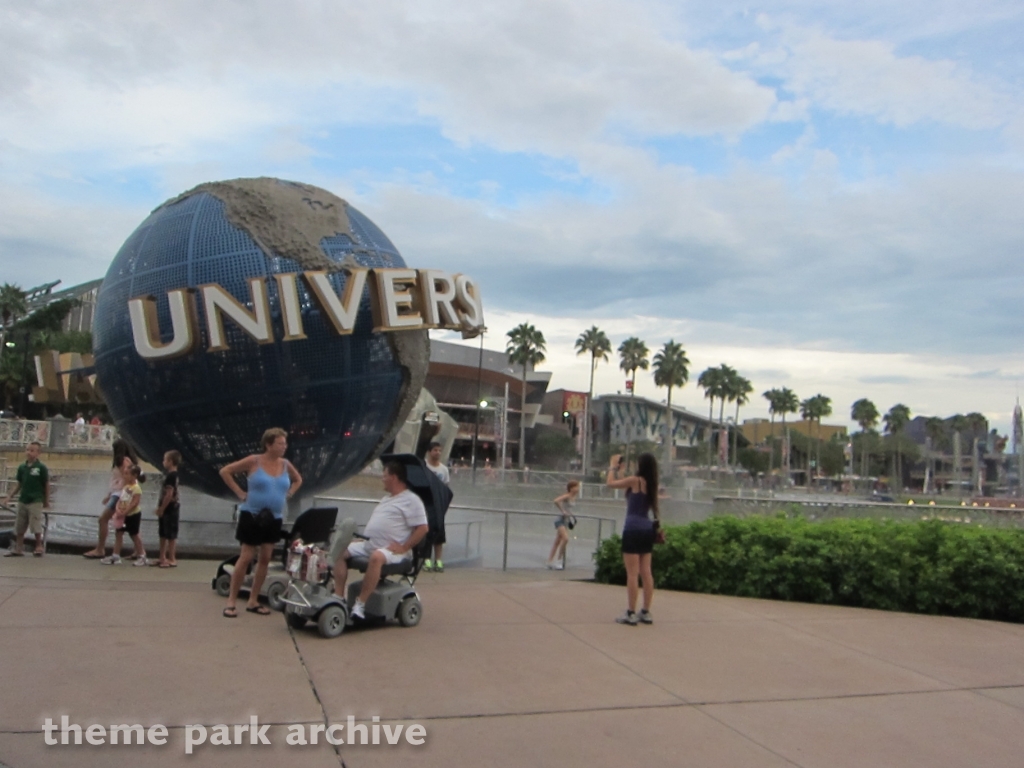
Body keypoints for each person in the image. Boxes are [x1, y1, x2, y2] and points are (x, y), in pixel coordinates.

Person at [219, 428, 302, 618]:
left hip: (274, 516)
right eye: (280, 443)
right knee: (247, 556)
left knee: (265, 557)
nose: (284, 447)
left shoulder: (285, 464)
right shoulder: (254, 461)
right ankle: (232, 600)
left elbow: (298, 480)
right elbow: (226, 471)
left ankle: (253, 599)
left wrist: (289, 493)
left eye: (285, 443)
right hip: (252, 514)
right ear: (269, 444)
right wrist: (240, 492)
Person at [332, 461, 428, 619]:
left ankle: (360, 604)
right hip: (370, 545)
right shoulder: (386, 499)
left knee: (377, 556)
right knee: (339, 549)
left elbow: (423, 528)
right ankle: (338, 597)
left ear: (394, 478)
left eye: (384, 476)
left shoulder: (412, 500)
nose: (382, 479)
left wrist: (404, 547)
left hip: (392, 551)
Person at [606, 452, 659, 626]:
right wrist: (621, 472)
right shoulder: (651, 484)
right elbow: (625, 486)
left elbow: (610, 483)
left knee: (632, 574)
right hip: (647, 530)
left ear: (641, 465)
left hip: (632, 529)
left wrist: (612, 466)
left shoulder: (635, 480)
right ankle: (645, 611)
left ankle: (630, 613)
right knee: (646, 572)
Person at [83, 439, 140, 559]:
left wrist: (124, 497)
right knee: (128, 525)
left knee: (103, 519)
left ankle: (100, 549)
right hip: (116, 494)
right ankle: (139, 551)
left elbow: (128, 479)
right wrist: (109, 495)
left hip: (119, 495)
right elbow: (117, 480)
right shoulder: (125, 461)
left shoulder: (124, 461)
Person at [3, 441, 50, 557]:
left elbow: (46, 484)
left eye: (32, 450)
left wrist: (46, 500)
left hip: (36, 500)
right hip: (23, 499)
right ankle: (18, 548)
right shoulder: (22, 467)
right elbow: (19, 484)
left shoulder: (41, 468)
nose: (29, 452)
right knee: (20, 525)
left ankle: (39, 545)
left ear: (38, 453)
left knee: (36, 524)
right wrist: (9, 497)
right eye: (28, 450)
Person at [101, 464, 146, 565]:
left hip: (133, 515)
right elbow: (121, 499)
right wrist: (118, 509)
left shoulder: (136, 488)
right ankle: (115, 556)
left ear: (134, 476)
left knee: (134, 535)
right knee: (118, 533)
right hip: (123, 514)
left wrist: (125, 511)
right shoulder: (126, 486)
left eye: (126, 474)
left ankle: (142, 555)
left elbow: (135, 503)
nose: (124, 476)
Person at [423, 441, 449, 572]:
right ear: (429, 452)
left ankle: (438, 561)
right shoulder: (424, 466)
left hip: (438, 507)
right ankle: (426, 559)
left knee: (439, 534)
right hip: (425, 506)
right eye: (435, 450)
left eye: (439, 450)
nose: (438, 453)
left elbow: (446, 488)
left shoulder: (443, 470)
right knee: (426, 533)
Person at [154, 450, 181, 568]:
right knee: (163, 533)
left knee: (170, 534)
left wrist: (161, 508)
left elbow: (169, 494)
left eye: (165, 459)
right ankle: (162, 557)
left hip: (170, 508)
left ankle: (171, 558)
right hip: (168, 507)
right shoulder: (172, 475)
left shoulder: (171, 476)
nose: (163, 462)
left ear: (170, 461)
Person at [546, 480, 580, 569]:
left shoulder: (574, 497)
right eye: (576, 487)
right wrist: (563, 511)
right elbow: (556, 501)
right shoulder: (567, 496)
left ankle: (549, 561)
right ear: (571, 488)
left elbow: (568, 508)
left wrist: (571, 515)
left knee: (557, 541)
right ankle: (558, 560)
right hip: (560, 519)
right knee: (565, 539)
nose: (577, 489)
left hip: (566, 520)